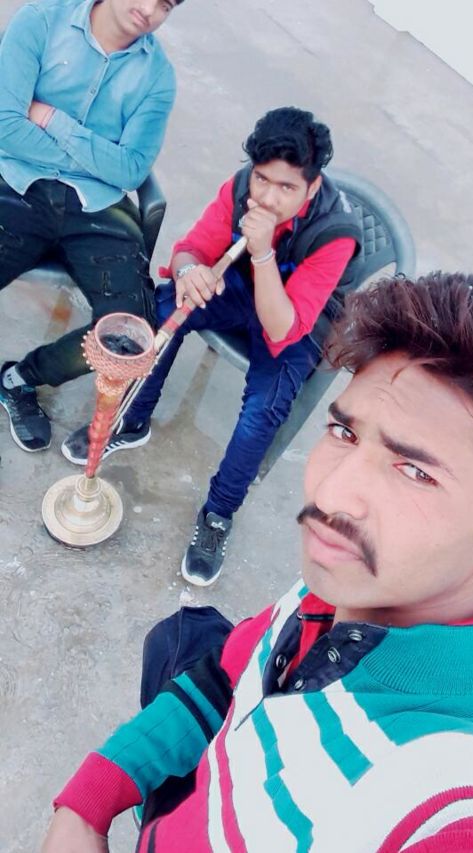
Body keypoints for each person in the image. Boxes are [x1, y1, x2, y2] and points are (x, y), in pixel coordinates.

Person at [42, 273, 473, 852]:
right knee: (182, 638)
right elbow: (223, 681)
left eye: (415, 471)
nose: (332, 494)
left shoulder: (465, 798)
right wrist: (88, 803)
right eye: (344, 432)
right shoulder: (341, 589)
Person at [61, 106, 363, 587]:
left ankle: (219, 512)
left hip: (299, 320)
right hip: (241, 285)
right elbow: (190, 249)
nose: (267, 197)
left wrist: (262, 251)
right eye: (262, 179)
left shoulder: (335, 234)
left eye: (286, 188)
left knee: (264, 409)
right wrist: (189, 273)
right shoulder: (241, 187)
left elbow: (281, 326)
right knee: (162, 310)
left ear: (312, 187)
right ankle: (132, 420)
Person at [0, 0, 182, 453]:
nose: (149, 10)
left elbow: (132, 170)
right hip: (17, 182)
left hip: (96, 207)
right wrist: (99, 158)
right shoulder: (41, 21)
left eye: (165, 5)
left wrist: (52, 120)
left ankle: (21, 379)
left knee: (131, 334)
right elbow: (5, 126)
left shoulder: (157, 77)